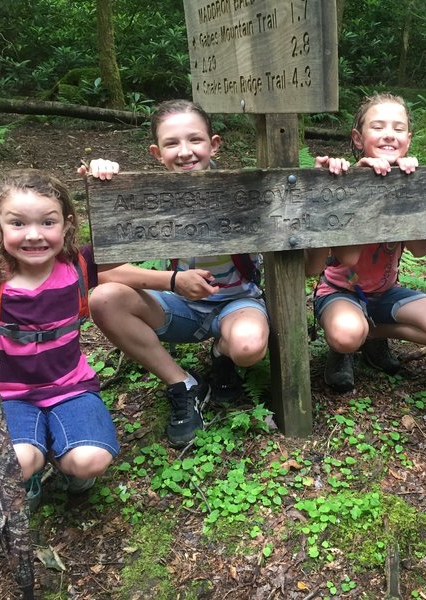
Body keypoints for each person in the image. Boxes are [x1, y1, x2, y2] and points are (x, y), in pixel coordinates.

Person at [82, 100, 269, 448]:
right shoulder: (146, 195)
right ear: (156, 152)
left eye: (195, 140)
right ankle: (183, 383)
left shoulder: (245, 190)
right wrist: (173, 281)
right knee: (104, 299)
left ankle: (222, 356)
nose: (185, 152)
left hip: (238, 301)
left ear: (214, 144)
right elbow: (107, 275)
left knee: (247, 345)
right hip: (180, 304)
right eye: (171, 143)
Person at [0, 169, 119, 509]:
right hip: (9, 395)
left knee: (89, 459)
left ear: (66, 224)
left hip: (71, 388)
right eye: (18, 223)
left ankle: (65, 459)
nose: (34, 235)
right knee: (17, 462)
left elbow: (128, 234)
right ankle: (31, 467)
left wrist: (105, 182)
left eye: (48, 223)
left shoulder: (79, 265)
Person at [309, 93, 426, 393]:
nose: (389, 135)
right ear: (358, 138)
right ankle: (346, 347)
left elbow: (420, 250)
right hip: (342, 291)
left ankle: (371, 336)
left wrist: (410, 193)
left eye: (398, 128)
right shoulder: (344, 180)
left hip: (384, 292)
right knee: (346, 334)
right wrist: (362, 185)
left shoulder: (407, 181)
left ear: (408, 139)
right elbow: (350, 258)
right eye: (378, 127)